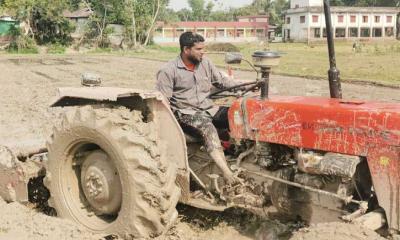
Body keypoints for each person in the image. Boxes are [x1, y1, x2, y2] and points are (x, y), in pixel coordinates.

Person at [156, 32, 243, 184]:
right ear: (186, 50)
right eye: (199, 49)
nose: (203, 52)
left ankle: (241, 156)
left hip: (208, 109)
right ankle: (227, 174)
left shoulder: (206, 63)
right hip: (186, 114)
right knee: (208, 129)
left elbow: (222, 81)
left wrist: (242, 87)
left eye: (203, 48)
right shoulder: (168, 71)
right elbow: (163, 102)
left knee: (236, 115)